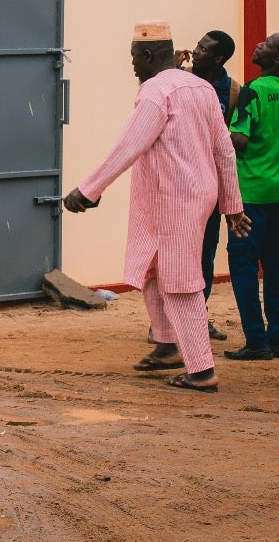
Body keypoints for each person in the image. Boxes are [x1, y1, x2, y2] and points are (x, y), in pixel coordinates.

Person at [65, 20, 248, 393]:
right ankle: (166, 346)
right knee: (152, 269)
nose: (132, 64)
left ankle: (201, 371)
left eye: (134, 57)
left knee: (180, 282)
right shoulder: (200, 88)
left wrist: (88, 190)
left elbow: (130, 144)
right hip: (180, 197)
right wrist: (231, 204)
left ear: (147, 55)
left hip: (175, 200)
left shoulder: (155, 92)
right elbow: (224, 150)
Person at [222, 33, 279, 361]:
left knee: (243, 266)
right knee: (277, 266)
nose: (259, 44)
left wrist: (220, 133)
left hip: (250, 195)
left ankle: (256, 341)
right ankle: (278, 338)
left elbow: (239, 141)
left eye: (268, 45)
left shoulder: (253, 91)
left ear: (277, 60)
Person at [184, 29, 237, 341]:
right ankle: (164, 323)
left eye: (203, 48)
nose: (196, 50)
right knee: (174, 252)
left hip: (210, 186)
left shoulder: (233, 92)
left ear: (218, 58)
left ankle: (197, 316)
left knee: (205, 253)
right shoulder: (177, 78)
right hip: (178, 184)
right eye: (198, 44)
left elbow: (233, 143)